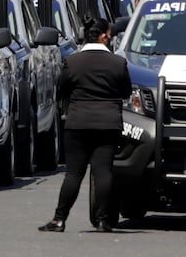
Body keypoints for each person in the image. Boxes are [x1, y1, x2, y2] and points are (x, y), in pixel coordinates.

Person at [39, 16, 132, 233]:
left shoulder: (72, 62)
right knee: (103, 172)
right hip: (108, 123)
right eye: (109, 35)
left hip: (78, 121)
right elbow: (126, 91)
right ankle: (102, 220)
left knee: (73, 173)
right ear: (102, 36)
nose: (110, 39)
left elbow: (61, 90)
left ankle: (59, 219)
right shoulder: (118, 63)